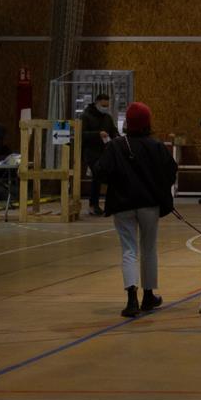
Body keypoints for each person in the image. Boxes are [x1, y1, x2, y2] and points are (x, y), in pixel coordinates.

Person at [90, 100, 177, 318]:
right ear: (148, 123)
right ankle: (148, 296)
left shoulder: (116, 146)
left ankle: (131, 300)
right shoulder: (156, 146)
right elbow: (171, 172)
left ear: (127, 123)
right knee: (149, 248)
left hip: (122, 204)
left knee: (129, 250)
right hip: (149, 205)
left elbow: (100, 172)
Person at [80, 93, 116, 216]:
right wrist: (97, 134)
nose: (105, 108)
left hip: (105, 152)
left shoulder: (108, 117)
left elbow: (113, 131)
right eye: (103, 105)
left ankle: (108, 203)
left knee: (106, 176)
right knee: (97, 175)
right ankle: (93, 205)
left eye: (107, 106)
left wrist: (119, 138)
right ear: (96, 103)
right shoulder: (85, 116)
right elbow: (81, 134)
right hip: (91, 152)